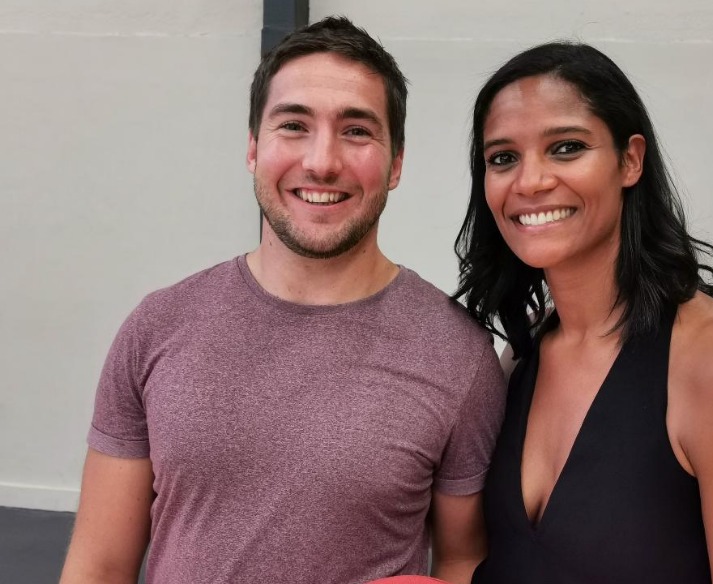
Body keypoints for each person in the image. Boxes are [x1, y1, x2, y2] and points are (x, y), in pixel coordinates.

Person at [60, 17, 505, 584]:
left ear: (395, 163)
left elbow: (463, 559)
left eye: (357, 131)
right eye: (294, 125)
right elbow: (99, 565)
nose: (321, 161)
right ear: (253, 148)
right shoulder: (156, 328)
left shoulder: (458, 355)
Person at [453, 42, 713, 584]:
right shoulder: (523, 352)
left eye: (566, 147)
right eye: (503, 157)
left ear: (630, 160)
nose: (529, 181)